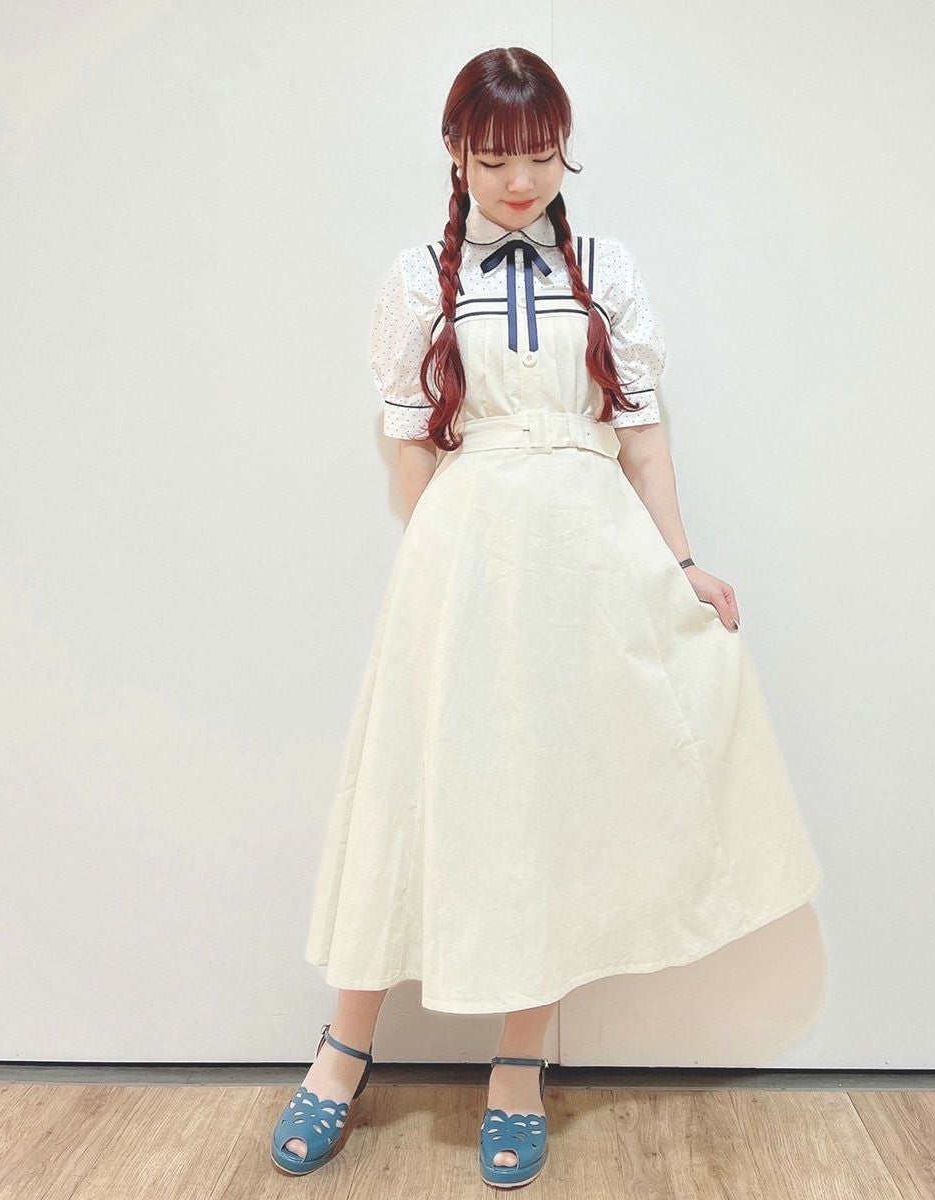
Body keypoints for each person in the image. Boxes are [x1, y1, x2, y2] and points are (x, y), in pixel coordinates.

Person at [270, 45, 823, 1187]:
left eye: (539, 155)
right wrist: (442, 572)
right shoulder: (419, 278)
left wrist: (681, 564)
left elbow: (644, 437)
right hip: (465, 559)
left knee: (547, 804)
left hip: (588, 560)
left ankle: (517, 1066)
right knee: (412, 793)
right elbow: (413, 454)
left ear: (565, 151)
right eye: (494, 159)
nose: (519, 181)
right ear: (455, 155)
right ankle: (343, 1052)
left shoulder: (605, 269)